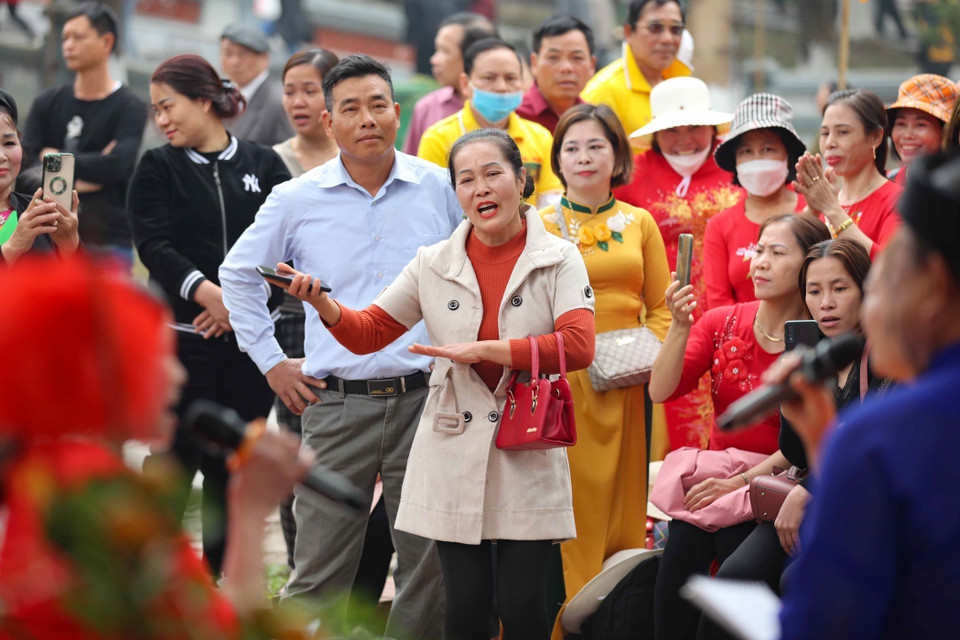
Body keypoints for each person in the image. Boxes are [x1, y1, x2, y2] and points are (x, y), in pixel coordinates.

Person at [278, 127, 595, 640]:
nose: (481, 189)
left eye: (493, 174)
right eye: (466, 180)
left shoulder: (558, 256)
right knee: (463, 611)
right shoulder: (433, 262)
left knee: (522, 610)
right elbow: (371, 332)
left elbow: (579, 346)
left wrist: (489, 352)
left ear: (522, 179)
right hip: (453, 445)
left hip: (527, 445)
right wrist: (325, 305)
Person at [218, 54, 460, 640]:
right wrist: (272, 363)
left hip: (425, 402)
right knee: (320, 566)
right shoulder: (296, 198)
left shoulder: (437, 187)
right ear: (329, 122)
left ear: (398, 113)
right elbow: (237, 275)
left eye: (378, 104)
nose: (367, 118)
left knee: (426, 565)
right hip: (335, 404)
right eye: (350, 108)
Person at [0, 255, 313, 639]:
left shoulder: (36, 473)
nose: (179, 375)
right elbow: (217, 631)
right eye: (161, 357)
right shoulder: (102, 501)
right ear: (98, 375)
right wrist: (249, 511)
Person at [775, 153, 960, 639]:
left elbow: (821, 616)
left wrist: (836, 452)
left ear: (933, 289)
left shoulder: (883, 433)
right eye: (815, 292)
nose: (830, 304)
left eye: (878, 283)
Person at [127, 54, 292, 577]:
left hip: (249, 347)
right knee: (173, 466)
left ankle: (218, 589)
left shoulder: (265, 166)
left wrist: (237, 309)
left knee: (232, 471)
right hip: (183, 340)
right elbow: (154, 244)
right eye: (155, 111)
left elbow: (289, 247)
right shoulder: (158, 167)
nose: (162, 120)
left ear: (204, 100)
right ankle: (149, 583)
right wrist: (206, 294)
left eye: (168, 106)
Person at [697, 238, 893, 640]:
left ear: (866, 288)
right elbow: (795, 451)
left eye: (840, 289)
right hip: (806, 493)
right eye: (814, 291)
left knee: (797, 582)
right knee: (732, 580)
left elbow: (876, 447)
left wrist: (808, 491)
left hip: (858, 502)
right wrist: (792, 404)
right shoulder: (815, 353)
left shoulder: (885, 354)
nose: (826, 303)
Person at [648, 213, 830, 640]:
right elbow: (660, 390)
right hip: (719, 480)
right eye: (758, 250)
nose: (760, 262)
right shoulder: (721, 321)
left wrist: (743, 481)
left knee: (735, 576)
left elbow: (807, 440)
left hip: (777, 485)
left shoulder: (820, 337)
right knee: (677, 569)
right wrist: (679, 326)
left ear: (808, 265)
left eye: (777, 253)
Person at [539, 103, 671, 638]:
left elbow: (662, 306)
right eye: (571, 147)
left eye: (596, 145)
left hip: (626, 385)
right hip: (561, 385)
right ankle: (557, 620)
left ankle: (612, 620)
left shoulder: (639, 223)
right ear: (558, 161)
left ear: (618, 155)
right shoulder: (538, 223)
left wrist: (644, 352)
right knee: (568, 510)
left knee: (622, 507)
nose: (584, 156)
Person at [614, 76, 742, 453]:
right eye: (672, 129)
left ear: (711, 127)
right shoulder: (631, 175)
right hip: (659, 321)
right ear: (656, 133)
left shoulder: (736, 164)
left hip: (729, 317)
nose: (684, 137)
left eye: (694, 127)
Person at [270, 45, 340, 570]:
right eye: (290, 89)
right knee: (301, 452)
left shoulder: (364, 158)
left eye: (309, 89)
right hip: (297, 324)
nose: (297, 100)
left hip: (368, 323)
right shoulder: (273, 162)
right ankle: (302, 572)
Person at [20, 1, 146, 265]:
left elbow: (116, 167)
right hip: (46, 236)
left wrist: (52, 161)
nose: (68, 45)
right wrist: (94, 167)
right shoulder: (47, 101)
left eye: (78, 37)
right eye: (65, 37)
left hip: (107, 242)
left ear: (106, 41)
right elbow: (25, 166)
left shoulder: (129, 107)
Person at [418, 37, 563, 207]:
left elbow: (550, 205)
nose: (501, 87)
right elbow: (433, 206)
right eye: (489, 78)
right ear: (465, 84)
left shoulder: (540, 137)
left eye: (511, 78)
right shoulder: (437, 139)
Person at [704, 93, 807, 308]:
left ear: (788, 154)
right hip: (738, 338)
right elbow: (718, 302)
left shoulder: (812, 211)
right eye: (746, 151)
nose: (757, 160)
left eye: (768, 149)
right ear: (735, 161)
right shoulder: (719, 226)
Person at [794, 89, 901, 261]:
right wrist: (812, 211)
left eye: (843, 132)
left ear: (875, 137)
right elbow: (792, 263)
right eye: (825, 133)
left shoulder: (897, 200)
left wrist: (832, 210)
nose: (830, 143)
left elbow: (892, 268)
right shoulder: (823, 202)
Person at [581, 0, 691, 139]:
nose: (667, 39)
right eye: (655, 27)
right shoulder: (604, 92)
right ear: (628, 32)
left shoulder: (682, 86)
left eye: (676, 29)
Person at [0, 89, 80, 265]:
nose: (1, 156)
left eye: (9, 143)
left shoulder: (40, 216)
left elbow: (79, 287)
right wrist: (11, 248)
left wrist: (70, 244)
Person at [402, 12, 497, 155]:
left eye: (444, 51)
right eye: (436, 50)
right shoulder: (427, 107)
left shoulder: (505, 108)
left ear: (472, 57)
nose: (434, 60)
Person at [516, 14, 596, 134]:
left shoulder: (595, 121)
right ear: (534, 63)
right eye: (553, 58)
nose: (566, 68)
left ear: (592, 65)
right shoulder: (515, 117)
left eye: (577, 58)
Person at [220, 22, 294, 146]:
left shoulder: (278, 102)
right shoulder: (222, 95)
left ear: (264, 58)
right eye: (228, 53)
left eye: (243, 54)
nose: (234, 61)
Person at [885, 74, 958, 185]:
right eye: (901, 124)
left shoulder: (952, 190)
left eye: (920, 125)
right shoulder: (883, 183)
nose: (907, 135)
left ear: (947, 132)